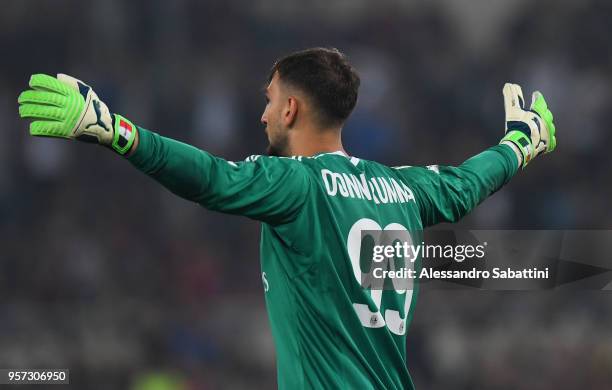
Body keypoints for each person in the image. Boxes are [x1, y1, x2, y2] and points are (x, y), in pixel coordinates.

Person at [17, 47, 556, 389]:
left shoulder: (297, 183)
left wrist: (114, 129)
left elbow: (209, 178)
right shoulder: (402, 188)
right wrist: (520, 143)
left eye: (270, 100)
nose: (263, 113)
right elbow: (466, 184)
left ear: (293, 110)